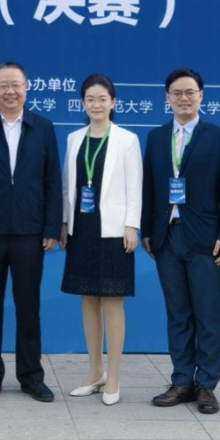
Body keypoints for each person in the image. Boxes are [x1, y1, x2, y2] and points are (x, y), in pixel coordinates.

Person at [0, 61, 63, 403]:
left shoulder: (43, 127)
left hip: (30, 234)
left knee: (28, 307)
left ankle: (31, 376)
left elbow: (53, 181)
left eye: (16, 84)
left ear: (27, 87)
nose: (10, 91)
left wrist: (51, 227)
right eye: (3, 85)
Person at [142, 68, 220, 414]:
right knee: (178, 313)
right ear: (167, 97)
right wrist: (147, 230)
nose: (183, 98)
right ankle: (182, 380)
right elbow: (149, 187)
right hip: (167, 237)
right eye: (177, 93)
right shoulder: (156, 137)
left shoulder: (218, 137)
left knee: (207, 314)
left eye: (190, 92)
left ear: (201, 96)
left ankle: (206, 384)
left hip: (205, 240)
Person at [60, 74, 143, 407]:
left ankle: (114, 376)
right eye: (90, 99)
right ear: (83, 103)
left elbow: (135, 185)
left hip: (113, 230)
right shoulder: (74, 138)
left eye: (102, 99)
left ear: (113, 102)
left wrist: (132, 225)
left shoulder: (127, 140)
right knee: (88, 299)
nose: (96, 105)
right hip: (81, 228)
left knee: (112, 301)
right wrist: (64, 222)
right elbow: (68, 185)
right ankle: (95, 372)